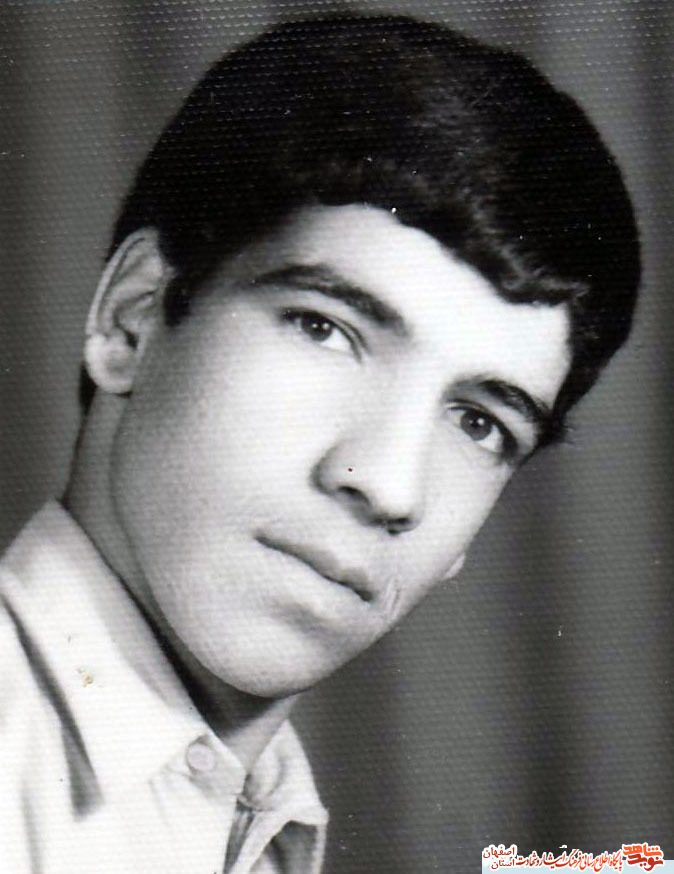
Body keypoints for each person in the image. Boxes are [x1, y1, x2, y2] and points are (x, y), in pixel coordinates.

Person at [0, 12, 640, 874]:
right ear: (133, 318)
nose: (389, 484)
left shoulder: (255, 827)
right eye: (324, 329)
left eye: (479, 422)